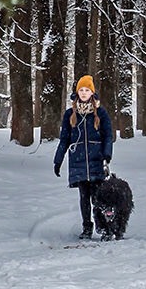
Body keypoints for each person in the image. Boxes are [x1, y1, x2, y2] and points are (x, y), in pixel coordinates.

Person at [54, 75, 114, 239]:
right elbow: (64, 139)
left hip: (96, 160)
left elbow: (108, 135)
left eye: (87, 90)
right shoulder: (70, 114)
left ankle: (103, 227)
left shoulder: (100, 113)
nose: (84, 93)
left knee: (98, 198)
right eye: (81, 90)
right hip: (78, 161)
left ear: (92, 92)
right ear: (77, 92)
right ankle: (87, 228)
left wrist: (107, 154)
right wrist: (58, 160)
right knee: (83, 197)